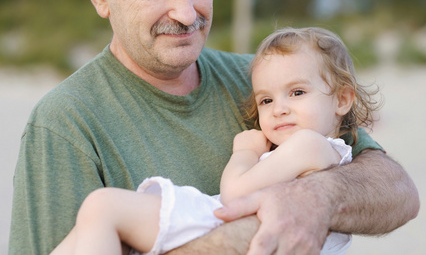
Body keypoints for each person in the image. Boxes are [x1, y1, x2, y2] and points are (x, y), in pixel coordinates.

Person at [9, 0, 419, 254]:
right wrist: (251, 232)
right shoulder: (64, 123)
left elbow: (397, 189)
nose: (186, 13)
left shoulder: (265, 81)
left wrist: (319, 198)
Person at [51, 27, 379, 255]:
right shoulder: (317, 152)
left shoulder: (310, 144)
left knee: (102, 207)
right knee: (92, 227)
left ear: (342, 100)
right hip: (222, 225)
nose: (279, 109)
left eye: (297, 92)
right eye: (266, 100)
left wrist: (245, 153)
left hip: (216, 222)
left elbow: (235, 193)